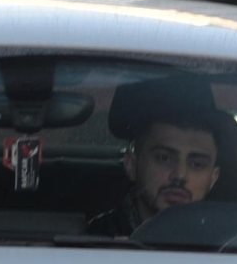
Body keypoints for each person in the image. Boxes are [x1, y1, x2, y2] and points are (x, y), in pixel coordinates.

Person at [87, 76, 225, 237]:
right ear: (132, 164)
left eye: (197, 164)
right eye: (164, 158)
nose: (180, 175)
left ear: (213, 178)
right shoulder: (95, 243)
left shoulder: (232, 246)